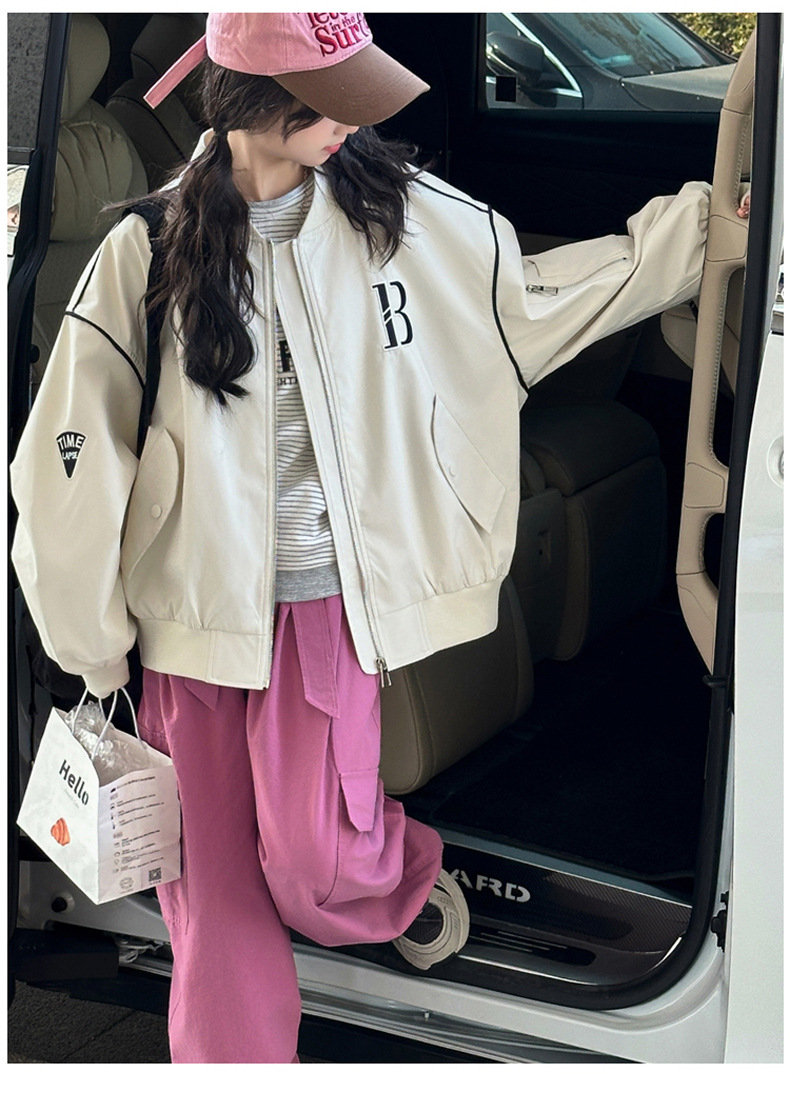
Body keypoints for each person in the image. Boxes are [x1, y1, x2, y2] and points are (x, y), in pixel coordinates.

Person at [10, 13, 746, 1064]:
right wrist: (90, 641)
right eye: (331, 100)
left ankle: (400, 869)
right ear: (252, 102)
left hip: (322, 615)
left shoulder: (398, 215)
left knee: (315, 862)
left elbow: (535, 300)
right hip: (187, 630)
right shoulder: (147, 249)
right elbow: (67, 465)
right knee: (213, 903)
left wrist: (704, 229)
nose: (354, 122)